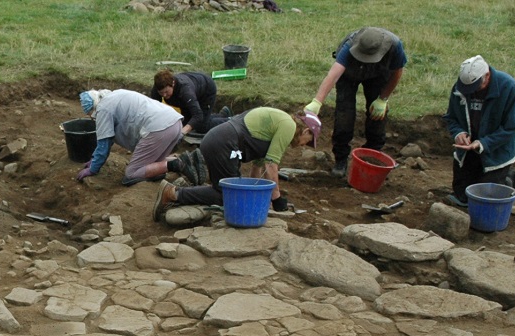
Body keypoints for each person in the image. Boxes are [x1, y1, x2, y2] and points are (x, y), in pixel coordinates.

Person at [152, 108, 321, 221]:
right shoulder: (288, 126)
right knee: (227, 195)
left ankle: (179, 190)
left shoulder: (277, 122)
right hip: (224, 144)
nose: (302, 146)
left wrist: (257, 195)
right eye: (307, 142)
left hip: (219, 141)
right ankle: (173, 194)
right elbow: (271, 164)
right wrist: (276, 199)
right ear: (306, 131)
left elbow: (258, 166)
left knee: (231, 190)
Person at [304, 27, 407, 176]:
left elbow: (397, 72)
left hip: (378, 75)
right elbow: (333, 75)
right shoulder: (349, 45)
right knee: (344, 115)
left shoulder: (395, 46)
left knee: (378, 116)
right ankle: (341, 160)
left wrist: (383, 99)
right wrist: (317, 102)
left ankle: (371, 157)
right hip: (348, 76)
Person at [442, 55, 515, 207]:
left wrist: (482, 143)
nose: (471, 92)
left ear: (487, 75)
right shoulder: (461, 88)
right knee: (463, 195)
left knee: (485, 197)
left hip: (497, 149)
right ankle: (490, 178)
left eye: (475, 87)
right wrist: (459, 133)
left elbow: (510, 128)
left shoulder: (508, 87)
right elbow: (451, 118)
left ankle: (508, 179)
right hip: (468, 149)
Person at [75, 89, 184, 186]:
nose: (93, 119)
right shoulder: (115, 94)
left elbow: (104, 143)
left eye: (91, 116)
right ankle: (186, 161)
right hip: (175, 123)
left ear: (93, 109)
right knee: (152, 164)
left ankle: (176, 164)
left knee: (131, 173)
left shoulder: (103, 109)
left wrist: (93, 169)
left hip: (158, 129)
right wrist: (95, 158)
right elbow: (108, 135)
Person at [149, 69, 231, 136]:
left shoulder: (185, 90)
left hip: (205, 91)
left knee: (202, 126)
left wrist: (182, 133)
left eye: (166, 92)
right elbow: (155, 111)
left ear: (172, 84)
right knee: (185, 123)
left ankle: (231, 121)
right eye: (161, 93)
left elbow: (198, 115)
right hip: (186, 99)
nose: (164, 95)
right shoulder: (157, 89)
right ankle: (222, 115)